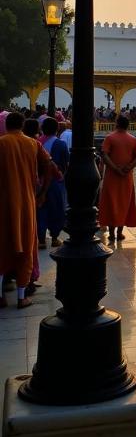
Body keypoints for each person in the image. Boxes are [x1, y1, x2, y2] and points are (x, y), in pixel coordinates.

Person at [0, 112, 50, 309]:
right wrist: (43, 192)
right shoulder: (33, 144)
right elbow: (48, 165)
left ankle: (1, 296)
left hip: (3, 203)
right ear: (22, 125)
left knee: (2, 246)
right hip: (27, 202)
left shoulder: (2, 143)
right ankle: (22, 297)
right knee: (26, 248)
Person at [98, 116, 136, 241]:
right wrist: (128, 167)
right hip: (126, 177)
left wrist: (115, 168)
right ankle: (120, 233)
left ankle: (111, 233)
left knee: (111, 203)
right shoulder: (133, 139)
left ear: (116, 124)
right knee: (124, 203)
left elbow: (104, 155)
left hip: (112, 176)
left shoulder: (110, 138)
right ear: (128, 126)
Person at [38, 117, 69, 248]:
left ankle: (41, 240)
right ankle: (55, 238)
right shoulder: (60, 144)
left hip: (39, 181)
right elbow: (65, 164)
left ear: (42, 129)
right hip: (56, 181)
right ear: (57, 129)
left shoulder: (36, 142)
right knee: (57, 209)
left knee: (41, 209)